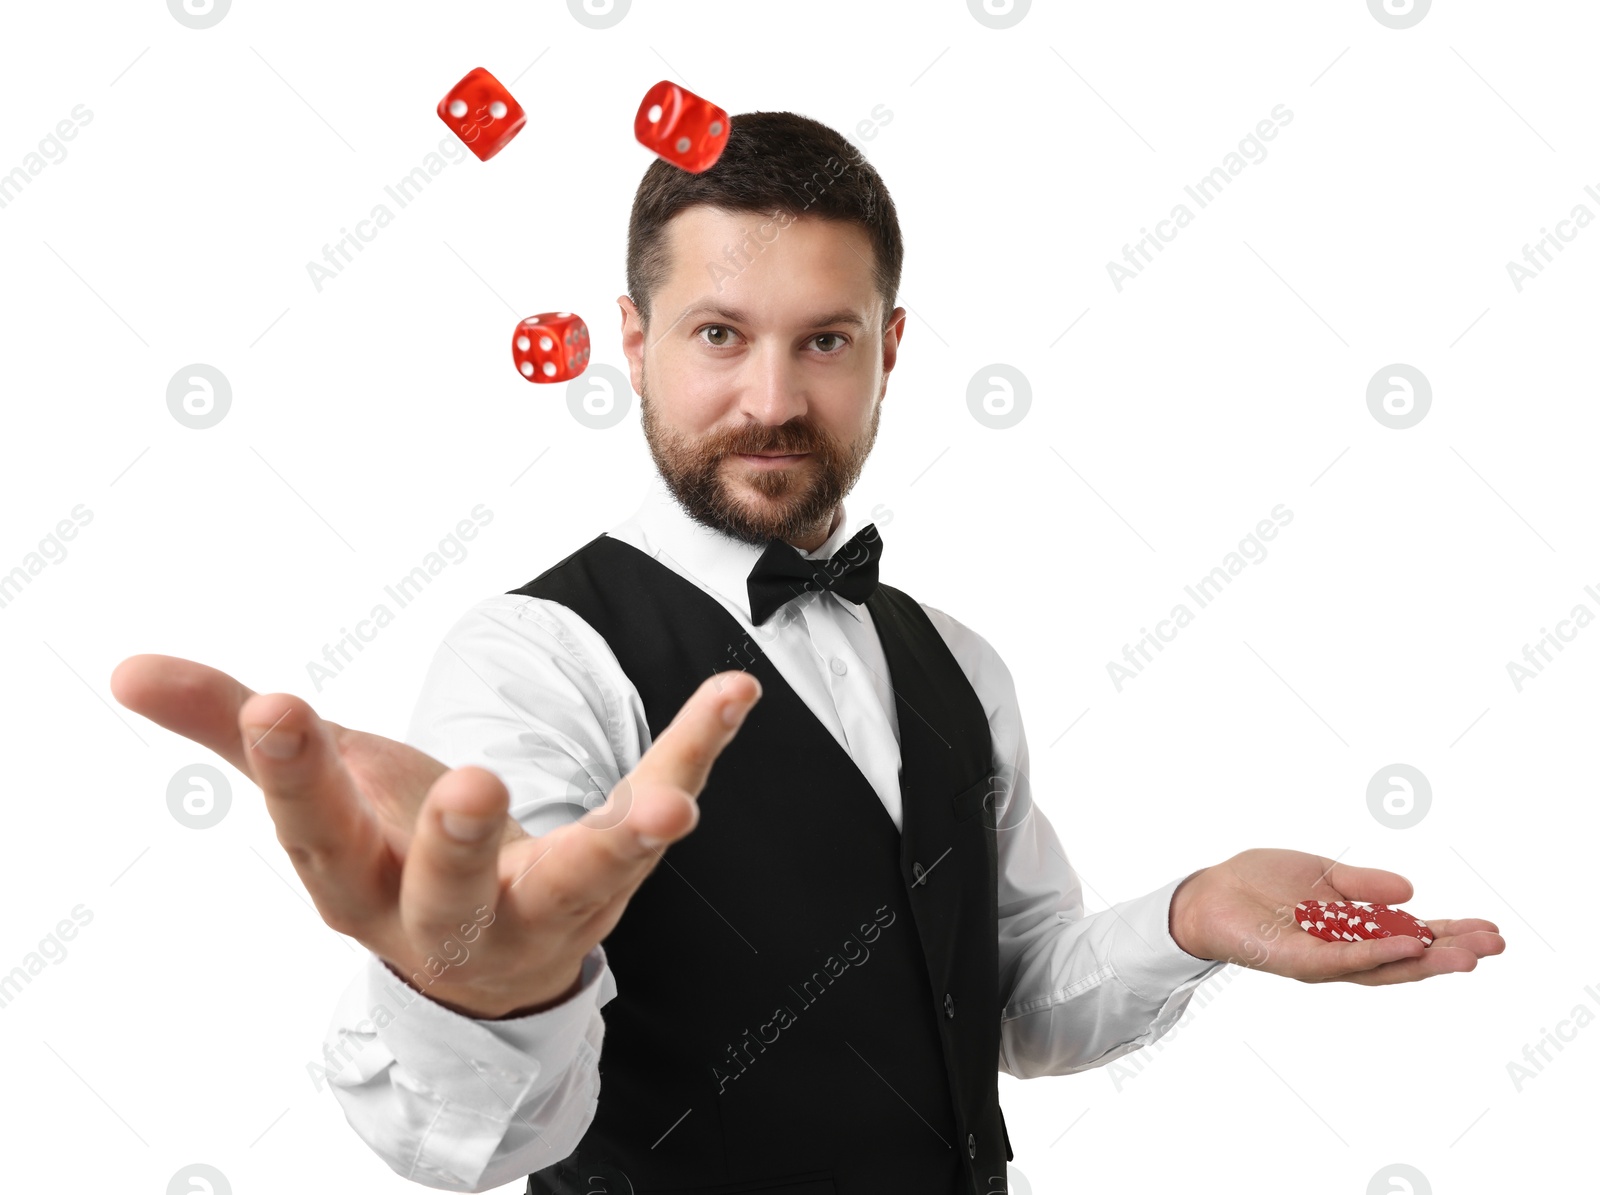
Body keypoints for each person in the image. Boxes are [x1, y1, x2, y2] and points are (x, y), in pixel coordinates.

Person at [110, 111, 1505, 1195]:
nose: (770, 401)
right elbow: (472, 1136)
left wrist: (1192, 915)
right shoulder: (535, 657)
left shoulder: (955, 657)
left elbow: (1016, 1004)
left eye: (824, 342)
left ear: (890, 349)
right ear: (634, 341)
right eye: (720, 336)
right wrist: (483, 988)